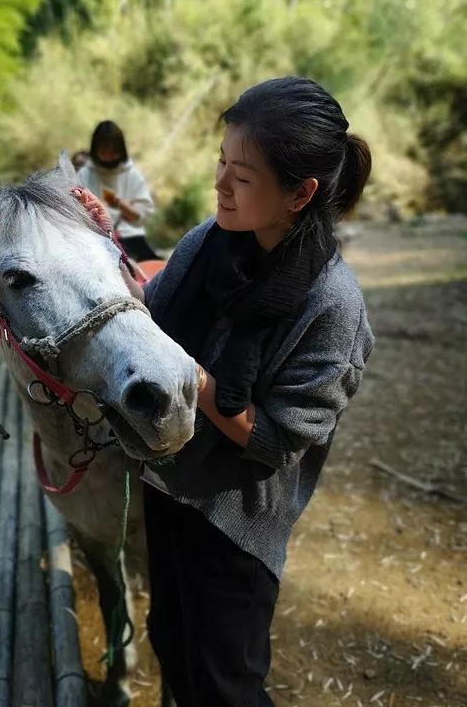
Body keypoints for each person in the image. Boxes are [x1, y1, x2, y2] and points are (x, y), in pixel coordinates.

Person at [75, 77, 375, 707]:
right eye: (221, 163)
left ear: (301, 194)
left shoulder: (331, 305)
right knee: (172, 641)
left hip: (236, 519)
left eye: (242, 175)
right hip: (169, 482)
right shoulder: (209, 242)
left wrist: (197, 379)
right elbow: (148, 314)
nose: (220, 185)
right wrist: (101, 246)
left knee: (226, 684)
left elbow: (275, 441)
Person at [77, 120, 161, 261]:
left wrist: (119, 203)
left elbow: (139, 217)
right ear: (95, 150)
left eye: (113, 152)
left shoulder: (131, 174)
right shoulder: (85, 174)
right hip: (93, 240)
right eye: (104, 152)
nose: (109, 157)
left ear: (121, 151)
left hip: (130, 238)